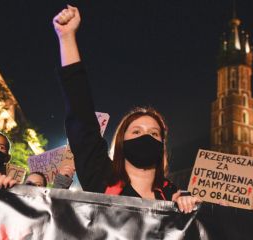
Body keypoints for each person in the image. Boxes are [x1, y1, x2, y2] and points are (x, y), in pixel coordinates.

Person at [53, 6, 200, 213]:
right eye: (137, 131)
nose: (146, 136)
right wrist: (67, 38)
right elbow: (81, 112)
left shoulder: (173, 197)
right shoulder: (101, 178)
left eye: (154, 133)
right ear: (122, 140)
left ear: (162, 145)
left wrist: (197, 209)